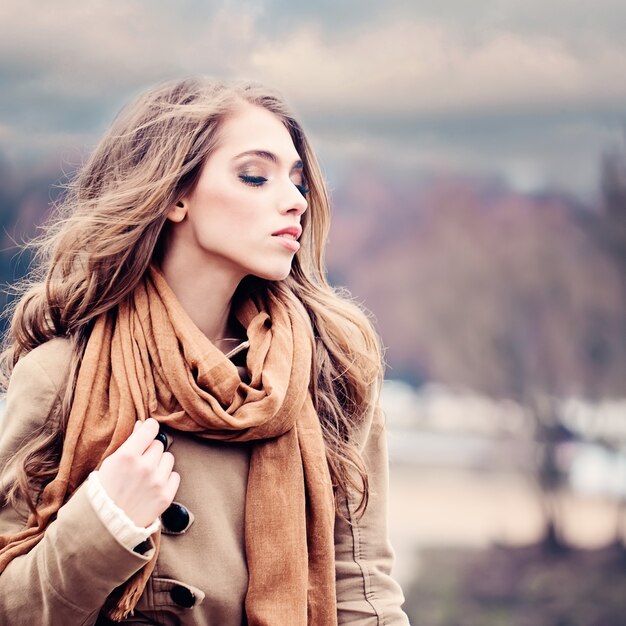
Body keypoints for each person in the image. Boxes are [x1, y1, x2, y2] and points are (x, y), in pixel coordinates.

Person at [0, 77, 410, 625]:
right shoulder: (61, 376)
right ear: (174, 195)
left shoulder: (330, 370)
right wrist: (103, 522)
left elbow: (363, 595)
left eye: (297, 181)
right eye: (254, 176)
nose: (295, 201)